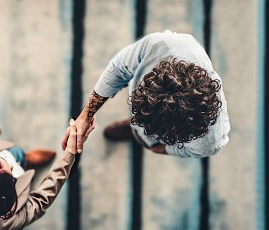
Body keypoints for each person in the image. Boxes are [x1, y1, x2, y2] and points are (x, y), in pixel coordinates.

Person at [62, 30, 230, 158]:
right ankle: (135, 130)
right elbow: (118, 69)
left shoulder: (209, 142)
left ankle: (136, 133)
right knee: (142, 129)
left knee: (145, 138)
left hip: (166, 137)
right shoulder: (162, 45)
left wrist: (162, 148)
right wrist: (86, 115)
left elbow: (192, 151)